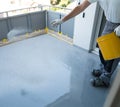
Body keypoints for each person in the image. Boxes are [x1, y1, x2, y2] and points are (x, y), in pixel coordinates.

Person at [51, 0, 120, 87]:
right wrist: (62, 20)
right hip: (109, 22)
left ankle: (105, 79)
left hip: (118, 25)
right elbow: (80, 7)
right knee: (103, 50)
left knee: (113, 55)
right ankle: (103, 69)